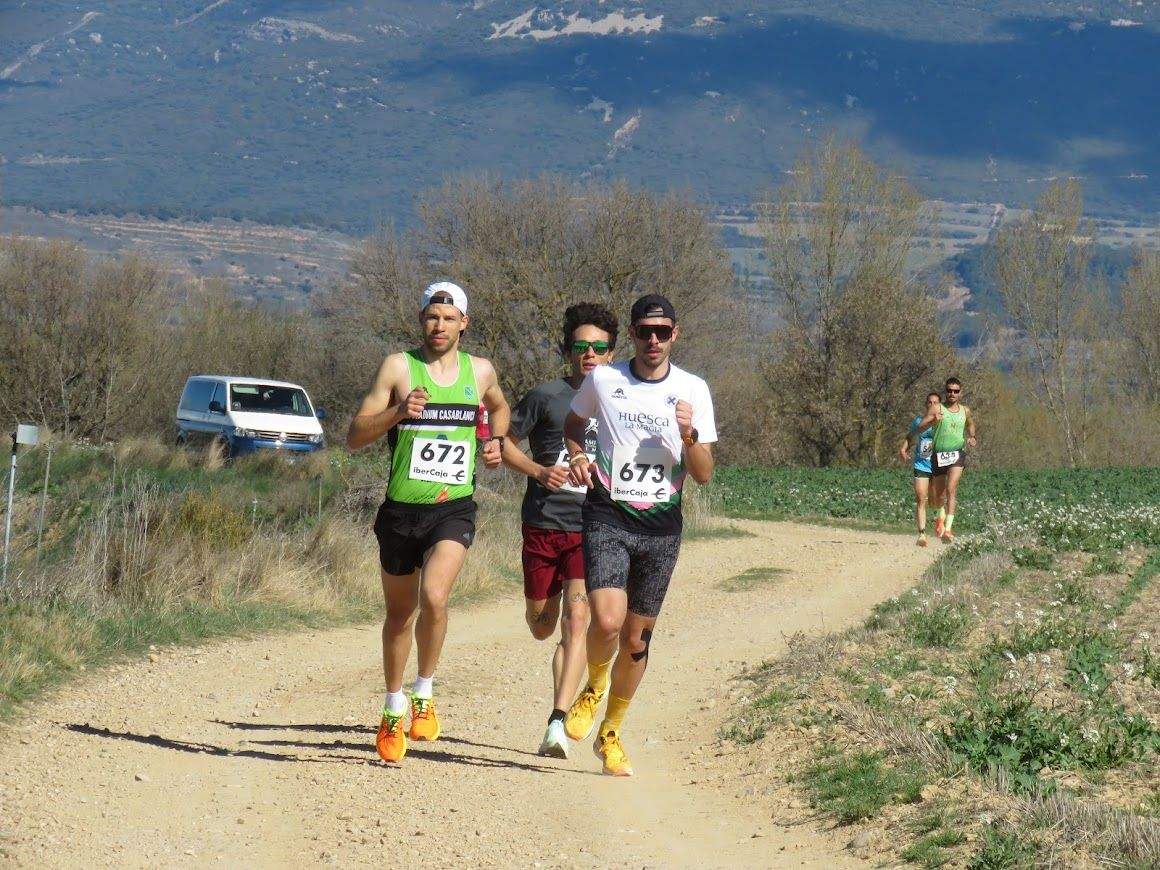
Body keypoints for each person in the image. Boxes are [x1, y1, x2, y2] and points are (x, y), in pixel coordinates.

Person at [347, 281, 510, 763]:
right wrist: (398, 412)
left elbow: (499, 407)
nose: (439, 326)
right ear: (422, 321)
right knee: (399, 615)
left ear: (464, 323)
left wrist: (495, 441)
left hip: (452, 507)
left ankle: (424, 693)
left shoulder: (480, 372)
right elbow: (354, 435)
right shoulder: (399, 367)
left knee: (434, 596)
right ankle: (393, 707)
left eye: (448, 317)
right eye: (431, 317)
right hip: (400, 512)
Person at [562, 294, 717, 776]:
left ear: (676, 334)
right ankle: (593, 684)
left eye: (663, 332)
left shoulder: (694, 389)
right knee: (606, 622)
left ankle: (611, 732)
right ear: (631, 334)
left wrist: (689, 436)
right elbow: (573, 424)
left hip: (662, 526)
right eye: (645, 331)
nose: (654, 340)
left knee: (636, 640)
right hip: (608, 512)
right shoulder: (605, 380)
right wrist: (578, 455)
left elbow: (705, 473)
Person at [501, 302, 618, 758]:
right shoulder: (545, 396)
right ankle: (538, 614)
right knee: (541, 624)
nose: (589, 354)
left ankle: (556, 723)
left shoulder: (622, 400)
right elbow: (500, 441)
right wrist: (537, 471)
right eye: (581, 346)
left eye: (599, 347)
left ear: (611, 352)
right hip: (542, 523)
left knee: (577, 621)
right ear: (568, 350)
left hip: (591, 526)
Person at [916, 376, 977, 542]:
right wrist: (933, 421)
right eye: (949, 390)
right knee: (938, 497)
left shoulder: (965, 411)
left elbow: (970, 424)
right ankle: (939, 516)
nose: (952, 393)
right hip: (938, 456)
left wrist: (972, 436)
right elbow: (920, 427)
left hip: (957, 454)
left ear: (960, 393)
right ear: (945, 391)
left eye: (956, 391)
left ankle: (948, 530)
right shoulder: (937, 408)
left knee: (951, 489)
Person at [898, 392, 943, 548]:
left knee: (936, 500)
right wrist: (904, 449)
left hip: (938, 465)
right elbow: (910, 436)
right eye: (929, 402)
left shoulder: (943, 421)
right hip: (921, 464)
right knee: (921, 498)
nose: (932, 405)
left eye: (935, 402)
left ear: (940, 406)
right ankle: (922, 534)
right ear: (926, 405)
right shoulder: (918, 421)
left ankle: (940, 518)